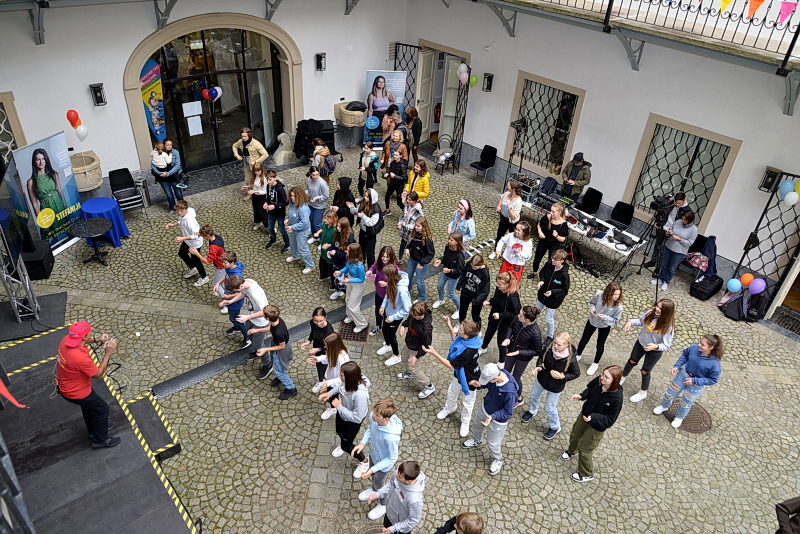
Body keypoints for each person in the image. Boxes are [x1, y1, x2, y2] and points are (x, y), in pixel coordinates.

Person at [55, 321, 121, 448]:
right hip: (77, 392)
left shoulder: (65, 340)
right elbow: (98, 374)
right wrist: (108, 353)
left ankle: (95, 429)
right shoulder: (80, 358)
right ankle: (100, 439)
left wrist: (97, 339)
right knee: (102, 408)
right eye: (90, 333)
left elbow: (82, 341)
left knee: (89, 408)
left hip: (66, 385)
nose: (91, 333)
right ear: (85, 336)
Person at [562, 365, 623, 483]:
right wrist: (581, 396)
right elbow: (589, 390)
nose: (602, 377)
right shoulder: (599, 381)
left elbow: (610, 420)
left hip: (596, 427)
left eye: (606, 377)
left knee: (585, 449)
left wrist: (593, 418)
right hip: (584, 415)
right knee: (575, 435)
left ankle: (586, 473)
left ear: (614, 381)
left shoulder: (617, 399)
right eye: (603, 374)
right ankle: (571, 451)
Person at [423, 318, 483, 438]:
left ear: (467, 335)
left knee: (468, 402)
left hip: (470, 378)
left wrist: (434, 353)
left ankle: (465, 421)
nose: (458, 330)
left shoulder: (469, 351)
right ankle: (450, 408)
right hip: (460, 373)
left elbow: (450, 365)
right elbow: (455, 340)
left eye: (460, 329)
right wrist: (449, 325)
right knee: (452, 391)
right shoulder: (465, 340)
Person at [653, 334, 723, 428]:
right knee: (670, 393)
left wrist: (694, 381)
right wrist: (677, 365)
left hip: (695, 385)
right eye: (700, 342)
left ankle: (679, 417)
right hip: (683, 375)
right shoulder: (693, 348)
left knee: (685, 402)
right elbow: (685, 356)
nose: (699, 345)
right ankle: (664, 406)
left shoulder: (715, 364)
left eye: (702, 345)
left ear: (711, 347)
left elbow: (713, 380)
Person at [520, 331, 580, 440]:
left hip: (556, 386)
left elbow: (576, 373)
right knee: (533, 396)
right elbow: (540, 358)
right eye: (554, 343)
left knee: (550, 408)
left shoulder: (571, 359)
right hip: (542, 379)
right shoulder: (548, 347)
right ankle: (532, 411)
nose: (555, 346)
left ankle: (555, 427)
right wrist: (539, 366)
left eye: (559, 345)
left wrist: (563, 376)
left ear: (566, 345)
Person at [461, 362, 518, 476]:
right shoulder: (496, 375)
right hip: (485, 408)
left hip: (498, 420)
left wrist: (492, 417)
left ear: (496, 378)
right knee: (477, 427)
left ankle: (498, 459)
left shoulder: (510, 393)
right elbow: (487, 384)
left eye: (489, 380)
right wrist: (478, 385)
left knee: (493, 443)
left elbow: (508, 412)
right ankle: (477, 441)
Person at [353, 400, 404, 521]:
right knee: (374, 479)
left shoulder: (391, 438)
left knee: (380, 484)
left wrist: (373, 469)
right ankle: (373, 490)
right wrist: (363, 442)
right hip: (373, 455)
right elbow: (370, 430)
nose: (373, 415)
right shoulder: (374, 417)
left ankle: (383, 504)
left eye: (377, 415)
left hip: (382, 466)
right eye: (374, 412)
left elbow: (392, 458)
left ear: (386, 418)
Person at [621, 299, 675, 403]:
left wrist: (655, 346)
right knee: (632, 361)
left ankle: (643, 392)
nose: (657, 309)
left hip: (654, 351)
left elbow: (666, 345)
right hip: (641, 343)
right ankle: (622, 377)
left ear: (667, 312)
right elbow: (640, 321)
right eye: (657, 306)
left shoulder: (669, 327)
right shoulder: (650, 313)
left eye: (660, 308)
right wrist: (630, 322)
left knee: (645, 371)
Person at [320, 361, 370, 460]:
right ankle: (343, 442)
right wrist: (330, 393)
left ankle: (364, 461)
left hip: (351, 422)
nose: (339, 377)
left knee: (346, 446)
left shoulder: (360, 396)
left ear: (350, 378)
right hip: (342, 414)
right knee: (340, 432)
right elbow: (341, 386)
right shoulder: (348, 382)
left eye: (341, 375)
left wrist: (339, 407)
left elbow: (357, 418)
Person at [576, 282, 624, 376]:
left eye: (618, 294)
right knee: (584, 339)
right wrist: (592, 309)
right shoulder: (599, 294)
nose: (616, 296)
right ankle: (578, 354)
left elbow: (615, 321)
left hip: (605, 326)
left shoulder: (619, 307)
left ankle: (595, 363)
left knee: (600, 345)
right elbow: (592, 303)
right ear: (609, 292)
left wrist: (605, 317)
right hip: (592, 321)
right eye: (614, 294)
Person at [501, 305, 543, 406]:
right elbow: (511, 327)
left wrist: (519, 352)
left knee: (516, 377)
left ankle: (519, 398)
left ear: (527, 319)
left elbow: (537, 351)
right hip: (511, 350)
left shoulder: (536, 333)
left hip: (523, 358)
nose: (518, 316)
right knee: (505, 372)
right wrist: (507, 338)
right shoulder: (517, 319)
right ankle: (505, 390)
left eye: (521, 315)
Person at [366, 461, 425, 530]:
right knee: (385, 527)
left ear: (409, 481)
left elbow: (413, 520)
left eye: (399, 477)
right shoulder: (399, 473)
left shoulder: (414, 500)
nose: (396, 475)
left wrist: (394, 528)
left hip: (400, 526)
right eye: (397, 472)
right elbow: (390, 485)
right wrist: (378, 494)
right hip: (389, 513)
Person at [254, 305, 297, 400]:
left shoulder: (278, 333)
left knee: (278, 371)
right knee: (278, 366)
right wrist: (257, 330)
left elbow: (282, 346)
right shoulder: (277, 320)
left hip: (281, 351)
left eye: (264, 315)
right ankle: (281, 377)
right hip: (278, 346)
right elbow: (271, 329)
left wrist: (265, 349)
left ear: (267, 318)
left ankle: (291, 389)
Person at [227, 276, 272, 366]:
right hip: (251, 317)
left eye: (236, 290)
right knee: (249, 335)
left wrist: (248, 317)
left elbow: (265, 312)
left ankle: (268, 364)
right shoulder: (246, 282)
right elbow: (243, 293)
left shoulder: (255, 294)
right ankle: (256, 351)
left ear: (241, 286)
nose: (236, 292)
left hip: (260, 322)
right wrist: (231, 301)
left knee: (259, 345)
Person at [397, 301, 435, 399]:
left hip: (417, 350)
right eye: (412, 315)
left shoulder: (426, 328)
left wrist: (416, 357)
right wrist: (403, 325)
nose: (413, 317)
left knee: (414, 368)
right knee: (404, 359)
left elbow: (427, 346)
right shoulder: (413, 314)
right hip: (409, 344)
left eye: (415, 316)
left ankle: (429, 386)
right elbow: (408, 320)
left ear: (421, 315)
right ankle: (409, 373)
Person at [653, 209, 698, 291]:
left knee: (672, 268)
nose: (683, 221)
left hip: (680, 252)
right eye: (683, 218)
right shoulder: (678, 222)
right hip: (669, 246)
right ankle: (661, 279)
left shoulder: (694, 230)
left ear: (690, 220)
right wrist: (668, 232)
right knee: (664, 264)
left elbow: (689, 243)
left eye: (685, 220)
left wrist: (680, 239)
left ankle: (666, 282)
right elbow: (670, 229)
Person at [478, 272, 521, 357]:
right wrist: (490, 302)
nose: (497, 286)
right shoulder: (499, 289)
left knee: (501, 342)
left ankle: (502, 361)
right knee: (488, 333)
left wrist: (500, 315)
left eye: (500, 284)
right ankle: (483, 347)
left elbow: (515, 314)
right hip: (494, 318)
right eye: (497, 283)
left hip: (505, 323)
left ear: (507, 285)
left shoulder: (513, 297)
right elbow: (496, 298)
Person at [644, 192, 690, 269]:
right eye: (676, 202)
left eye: (679, 203)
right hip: (663, 227)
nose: (677, 204)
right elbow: (663, 213)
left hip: (672, 232)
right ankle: (653, 261)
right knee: (657, 245)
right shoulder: (671, 203)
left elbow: (684, 224)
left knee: (663, 249)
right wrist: (659, 223)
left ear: (683, 200)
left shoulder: (686, 210)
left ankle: (659, 267)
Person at [377, 264, 412, 366]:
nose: (384, 277)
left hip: (395, 317)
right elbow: (388, 294)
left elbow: (407, 309)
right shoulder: (392, 281)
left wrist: (393, 317)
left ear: (390, 276)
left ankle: (396, 356)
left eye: (386, 275)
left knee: (391, 335)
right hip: (388, 312)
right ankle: (387, 345)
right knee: (384, 329)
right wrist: (383, 306)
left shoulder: (402, 290)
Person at [312, 333, 351, 420]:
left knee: (334, 396)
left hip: (336, 383)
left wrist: (328, 383)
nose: (325, 347)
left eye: (326, 345)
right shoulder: (333, 351)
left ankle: (333, 409)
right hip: (330, 379)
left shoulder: (343, 359)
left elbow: (344, 378)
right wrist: (318, 359)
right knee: (331, 394)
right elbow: (328, 359)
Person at [165, 200, 205, 283]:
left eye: (181, 211)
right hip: (187, 241)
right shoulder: (183, 215)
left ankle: (204, 277)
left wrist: (182, 238)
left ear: (186, 209)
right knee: (182, 253)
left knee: (196, 260)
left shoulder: (191, 221)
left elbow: (196, 235)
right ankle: (193, 268)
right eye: (177, 210)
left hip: (195, 243)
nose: (179, 213)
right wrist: (173, 224)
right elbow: (181, 221)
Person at [535, 249, 571, 344]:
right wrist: (541, 280)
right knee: (535, 312)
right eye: (552, 258)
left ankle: (550, 336)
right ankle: (531, 327)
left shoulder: (564, 275)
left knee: (548, 318)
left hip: (553, 301)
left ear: (562, 261)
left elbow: (564, 290)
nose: (552, 260)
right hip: (542, 296)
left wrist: (553, 292)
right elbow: (542, 273)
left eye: (555, 259)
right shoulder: (548, 265)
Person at [528, 202, 568, 279]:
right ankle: (534, 272)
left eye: (553, 211)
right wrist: (540, 232)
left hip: (554, 244)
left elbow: (563, 239)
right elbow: (539, 225)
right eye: (551, 211)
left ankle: (546, 276)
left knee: (551, 261)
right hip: (543, 241)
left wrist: (556, 236)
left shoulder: (563, 224)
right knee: (537, 258)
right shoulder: (547, 217)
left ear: (559, 212)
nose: (551, 213)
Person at [336, 243, 369, 334]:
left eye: (348, 250)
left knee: (353, 306)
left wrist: (349, 280)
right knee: (348, 299)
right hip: (350, 280)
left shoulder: (359, 266)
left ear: (353, 253)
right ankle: (350, 316)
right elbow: (347, 267)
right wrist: (340, 272)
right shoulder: (350, 258)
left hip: (357, 285)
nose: (346, 251)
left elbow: (361, 279)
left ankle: (362, 323)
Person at [300, 307, 335, 394]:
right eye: (316, 321)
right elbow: (313, 332)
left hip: (325, 349)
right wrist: (308, 341)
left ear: (325, 317)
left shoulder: (329, 330)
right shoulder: (312, 322)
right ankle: (321, 379)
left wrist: (318, 349)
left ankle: (322, 380)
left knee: (324, 364)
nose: (318, 324)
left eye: (321, 321)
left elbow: (331, 346)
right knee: (318, 364)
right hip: (317, 346)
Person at [367, 246, 399, 336]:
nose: (384, 259)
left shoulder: (395, 268)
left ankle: (386, 331)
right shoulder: (379, 262)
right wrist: (370, 271)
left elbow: (398, 283)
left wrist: (387, 284)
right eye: (383, 256)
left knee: (386, 313)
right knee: (378, 310)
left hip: (389, 295)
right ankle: (378, 325)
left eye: (387, 257)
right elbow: (373, 267)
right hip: (378, 292)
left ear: (391, 257)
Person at [433, 232, 466, 317]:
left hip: (454, 277)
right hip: (445, 272)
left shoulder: (460, 256)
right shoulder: (448, 247)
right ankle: (441, 300)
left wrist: (450, 270)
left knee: (451, 293)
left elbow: (460, 270)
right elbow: (445, 257)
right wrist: (440, 260)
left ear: (457, 242)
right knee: (439, 286)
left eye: (451, 240)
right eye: (449, 239)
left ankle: (460, 309)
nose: (448, 241)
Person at [349, 188, 383, 268]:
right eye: (365, 196)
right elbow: (358, 210)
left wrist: (363, 216)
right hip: (363, 231)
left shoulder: (376, 209)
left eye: (367, 197)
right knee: (361, 250)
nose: (365, 198)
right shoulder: (364, 203)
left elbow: (371, 223)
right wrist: (352, 208)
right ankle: (361, 265)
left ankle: (371, 269)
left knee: (370, 253)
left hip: (370, 233)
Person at [28, 147, 66, 217]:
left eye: (43, 159)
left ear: (46, 159)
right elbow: (35, 205)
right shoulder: (31, 181)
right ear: (34, 161)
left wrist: (66, 209)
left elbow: (60, 193)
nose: (41, 162)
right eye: (38, 160)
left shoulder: (54, 174)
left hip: (60, 206)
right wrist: (42, 220)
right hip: (46, 212)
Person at [285, 186, 315, 274]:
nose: (292, 198)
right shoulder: (292, 203)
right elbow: (290, 213)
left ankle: (310, 265)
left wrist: (292, 227)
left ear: (300, 196)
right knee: (293, 243)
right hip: (293, 228)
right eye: (291, 195)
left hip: (302, 231)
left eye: (294, 196)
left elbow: (304, 223)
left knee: (303, 249)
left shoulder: (303, 208)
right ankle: (295, 255)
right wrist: (287, 219)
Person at [405, 216, 435, 303]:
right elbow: (410, 242)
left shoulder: (427, 240)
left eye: (418, 226)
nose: (415, 227)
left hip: (421, 263)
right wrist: (407, 248)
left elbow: (431, 254)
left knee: (419, 281)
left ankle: (422, 297)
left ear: (423, 227)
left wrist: (422, 263)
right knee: (408, 276)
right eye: (415, 225)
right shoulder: (414, 233)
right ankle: (407, 290)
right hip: (412, 259)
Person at [187, 224, 225, 289]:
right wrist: (200, 234)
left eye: (203, 236)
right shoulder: (217, 237)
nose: (203, 238)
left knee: (215, 285)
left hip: (221, 266)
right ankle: (225, 290)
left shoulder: (213, 247)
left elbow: (208, 262)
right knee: (222, 281)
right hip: (223, 263)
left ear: (207, 236)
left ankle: (223, 293)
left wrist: (197, 253)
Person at [457, 254, 490, 327]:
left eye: (475, 267)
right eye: (472, 265)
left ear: (480, 265)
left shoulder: (485, 273)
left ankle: (477, 328)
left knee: (475, 314)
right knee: (462, 310)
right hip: (466, 292)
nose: (472, 268)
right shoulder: (469, 264)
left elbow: (486, 290)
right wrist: (460, 284)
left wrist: (478, 300)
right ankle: (461, 324)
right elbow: (463, 273)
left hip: (476, 296)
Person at [328, 218, 356, 300]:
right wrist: (329, 251)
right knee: (336, 278)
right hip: (336, 261)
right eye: (337, 226)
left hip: (344, 264)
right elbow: (333, 244)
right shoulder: (337, 233)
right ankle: (338, 291)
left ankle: (349, 296)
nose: (337, 228)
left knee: (344, 281)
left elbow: (348, 255)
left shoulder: (349, 239)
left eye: (340, 227)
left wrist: (336, 253)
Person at [150, 141, 181, 212]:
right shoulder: (157, 152)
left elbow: (178, 165)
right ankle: (172, 208)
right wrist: (159, 173)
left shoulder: (175, 152)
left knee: (178, 194)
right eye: (167, 145)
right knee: (169, 195)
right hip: (162, 178)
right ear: (163, 146)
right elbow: (152, 165)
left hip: (173, 176)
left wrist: (167, 173)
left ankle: (182, 207)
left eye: (171, 145)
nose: (169, 146)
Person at [264, 170, 290, 253]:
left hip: (280, 214)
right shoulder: (268, 186)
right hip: (271, 213)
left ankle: (287, 244)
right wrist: (266, 202)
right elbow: (268, 196)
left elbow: (286, 202)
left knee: (282, 229)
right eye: (267, 179)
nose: (268, 182)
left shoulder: (280, 189)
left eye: (270, 179)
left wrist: (274, 206)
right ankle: (273, 240)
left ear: (275, 178)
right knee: (270, 227)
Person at [215, 250, 244, 315]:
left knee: (233, 317)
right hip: (228, 291)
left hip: (235, 302)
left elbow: (241, 292)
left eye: (225, 263)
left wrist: (228, 297)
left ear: (232, 263)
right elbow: (226, 276)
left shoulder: (237, 276)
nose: (223, 264)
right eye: (223, 262)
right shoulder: (229, 267)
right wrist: (218, 283)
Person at [494, 180, 522, 246]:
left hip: (512, 222)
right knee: (499, 235)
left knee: (513, 238)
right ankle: (496, 249)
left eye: (509, 186)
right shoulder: (507, 193)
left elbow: (513, 217)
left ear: (513, 189)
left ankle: (510, 250)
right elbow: (501, 198)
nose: (507, 187)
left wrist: (509, 206)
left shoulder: (519, 201)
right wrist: (499, 206)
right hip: (504, 218)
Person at [397, 192, 424, 260]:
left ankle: (411, 261)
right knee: (402, 246)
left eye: (409, 200)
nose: (407, 200)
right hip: (405, 232)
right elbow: (403, 216)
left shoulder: (419, 212)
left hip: (413, 234)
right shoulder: (407, 206)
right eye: (407, 199)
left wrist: (405, 225)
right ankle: (400, 259)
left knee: (411, 248)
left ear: (415, 201)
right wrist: (400, 223)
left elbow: (417, 225)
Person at [242, 161, 269, 230]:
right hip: (255, 196)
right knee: (256, 210)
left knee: (262, 212)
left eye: (258, 171)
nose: (257, 173)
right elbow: (253, 184)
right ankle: (258, 223)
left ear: (261, 170)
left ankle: (270, 227)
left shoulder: (264, 179)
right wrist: (247, 186)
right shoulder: (254, 176)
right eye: (255, 171)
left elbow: (265, 191)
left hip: (262, 197)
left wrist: (254, 191)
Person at [306, 167, 330, 242]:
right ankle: (315, 237)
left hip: (320, 206)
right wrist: (306, 194)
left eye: (317, 174)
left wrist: (317, 198)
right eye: (314, 175)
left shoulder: (322, 183)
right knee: (311, 221)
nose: (316, 177)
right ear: (310, 174)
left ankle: (323, 240)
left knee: (317, 223)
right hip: (311, 204)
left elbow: (326, 196)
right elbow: (309, 190)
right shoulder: (308, 180)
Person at [315, 209, 338, 284]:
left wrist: (329, 245)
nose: (325, 220)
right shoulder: (325, 224)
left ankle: (333, 283)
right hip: (323, 251)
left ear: (333, 220)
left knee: (331, 268)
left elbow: (336, 244)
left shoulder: (335, 230)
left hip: (330, 252)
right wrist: (318, 233)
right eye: (325, 218)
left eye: (327, 219)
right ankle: (324, 275)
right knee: (322, 264)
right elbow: (322, 228)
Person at [383, 149, 407, 215]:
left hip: (399, 186)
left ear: (400, 156)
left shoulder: (402, 165)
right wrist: (387, 174)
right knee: (387, 196)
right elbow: (391, 172)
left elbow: (405, 178)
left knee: (399, 202)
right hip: (392, 183)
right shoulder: (392, 163)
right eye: (394, 155)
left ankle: (406, 212)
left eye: (396, 155)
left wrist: (395, 176)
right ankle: (387, 210)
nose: (394, 156)